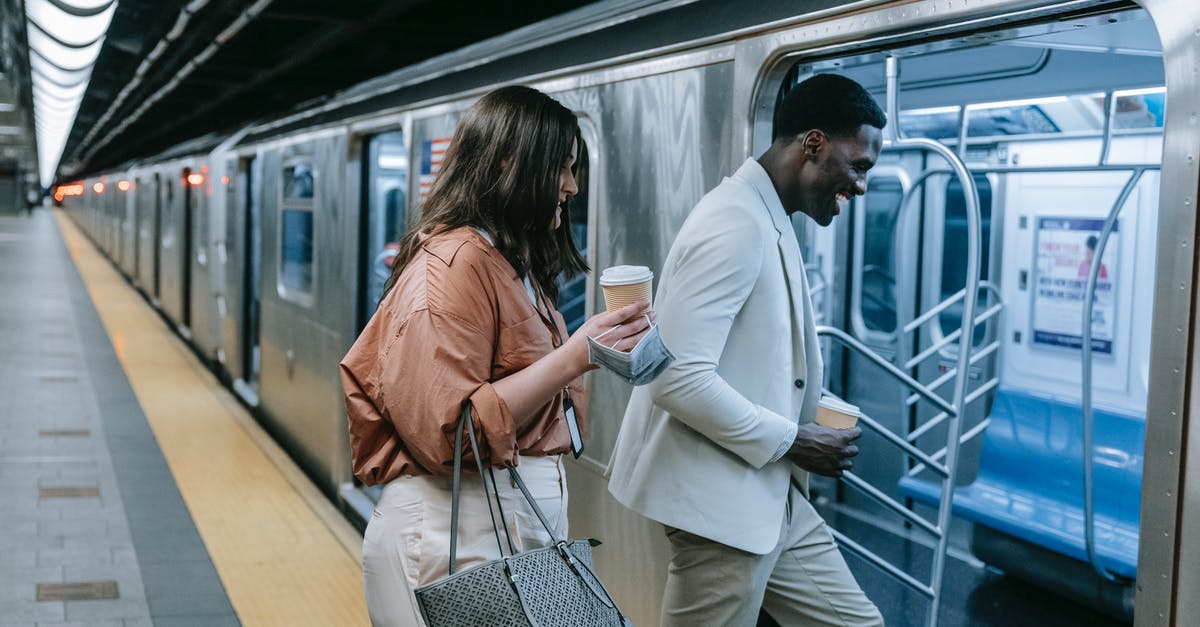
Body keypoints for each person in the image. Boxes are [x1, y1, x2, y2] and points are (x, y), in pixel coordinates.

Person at [340, 85, 652, 627]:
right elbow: (451, 431)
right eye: (563, 167)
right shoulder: (455, 264)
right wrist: (577, 354)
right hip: (452, 530)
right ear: (510, 161)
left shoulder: (507, 262)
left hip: (498, 524)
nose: (572, 186)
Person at [607, 73, 887, 626]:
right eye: (858, 166)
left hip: (771, 496)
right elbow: (676, 375)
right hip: (724, 509)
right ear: (813, 143)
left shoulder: (766, 215)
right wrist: (794, 439)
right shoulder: (735, 221)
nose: (860, 186)